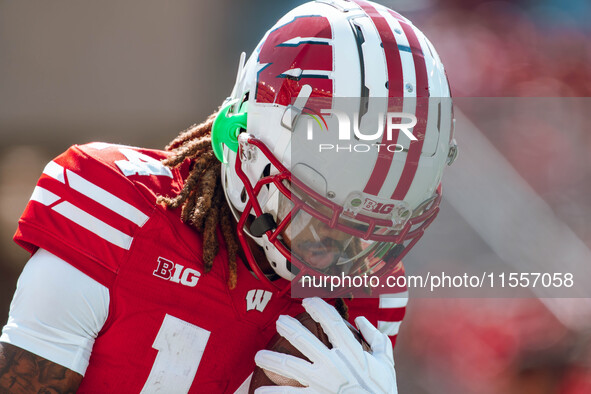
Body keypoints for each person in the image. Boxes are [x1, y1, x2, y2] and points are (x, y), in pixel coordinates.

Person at [0, 0, 456, 392]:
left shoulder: (366, 290)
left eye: (364, 234)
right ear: (240, 142)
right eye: (315, 216)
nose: (334, 254)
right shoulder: (116, 207)